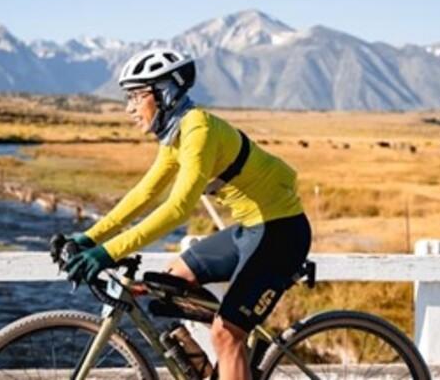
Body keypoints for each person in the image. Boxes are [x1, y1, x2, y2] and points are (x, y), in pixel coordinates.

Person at [64, 48, 311, 380]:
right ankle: (227, 362)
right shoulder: (176, 134)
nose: (129, 108)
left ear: (164, 93)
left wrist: (108, 252)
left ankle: (232, 340)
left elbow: (178, 207)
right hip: (250, 230)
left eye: (136, 96)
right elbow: (144, 194)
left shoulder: (198, 131)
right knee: (172, 279)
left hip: (280, 234)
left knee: (226, 335)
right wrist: (90, 238)